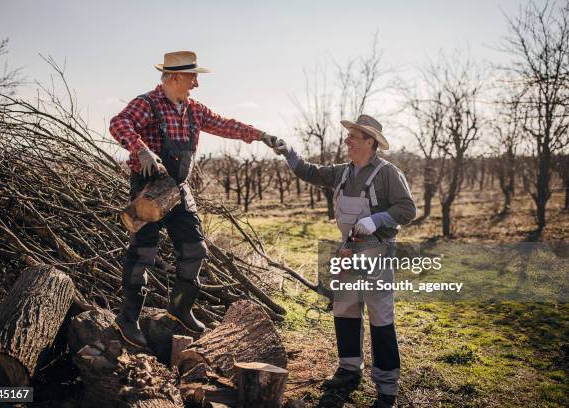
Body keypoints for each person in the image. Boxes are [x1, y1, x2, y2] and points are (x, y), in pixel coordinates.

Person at [109, 51, 277, 347]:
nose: (196, 83)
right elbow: (119, 123)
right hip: (148, 192)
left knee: (195, 250)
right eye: (192, 76)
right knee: (142, 256)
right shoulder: (147, 103)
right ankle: (128, 318)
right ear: (173, 77)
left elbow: (226, 125)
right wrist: (141, 149)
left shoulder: (194, 109)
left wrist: (261, 135)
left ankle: (179, 307)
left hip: (179, 189)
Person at [272, 115, 416, 408]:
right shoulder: (342, 172)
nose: (347, 140)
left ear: (369, 142)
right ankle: (349, 369)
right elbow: (309, 172)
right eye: (348, 135)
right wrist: (289, 152)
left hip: (378, 251)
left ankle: (387, 388)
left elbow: (408, 209)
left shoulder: (388, 173)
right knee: (345, 310)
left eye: (353, 136)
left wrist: (378, 219)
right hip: (347, 251)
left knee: (380, 317)